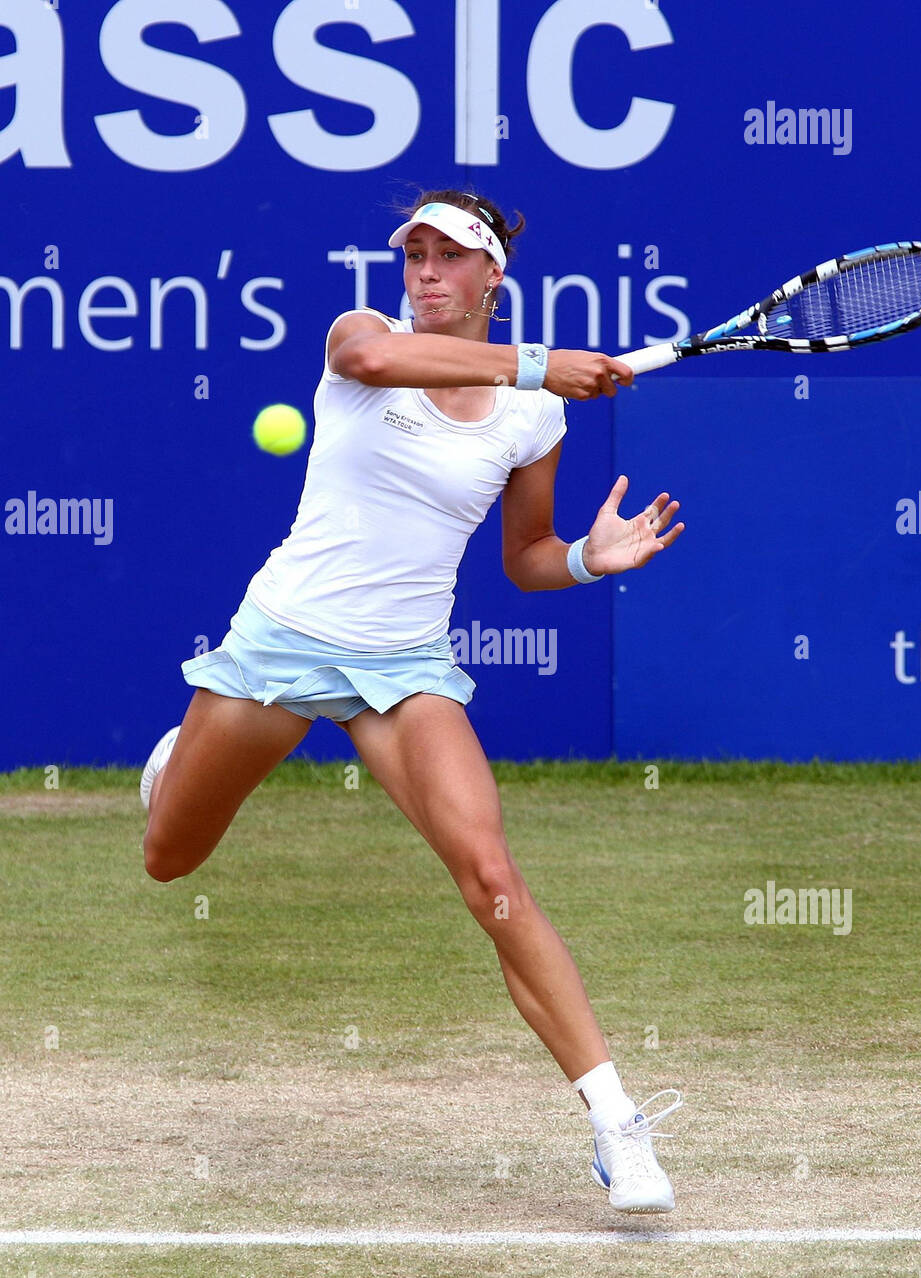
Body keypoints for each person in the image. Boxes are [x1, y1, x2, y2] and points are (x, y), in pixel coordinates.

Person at [140, 189, 686, 1213]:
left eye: (450, 257)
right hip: (282, 645)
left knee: (491, 876)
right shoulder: (365, 337)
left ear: (493, 278)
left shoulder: (536, 415)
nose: (426, 272)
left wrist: (586, 557)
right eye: (415, 255)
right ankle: (176, 764)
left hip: (405, 669)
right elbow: (375, 364)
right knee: (170, 857)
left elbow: (525, 557)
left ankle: (618, 1121)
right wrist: (535, 359)